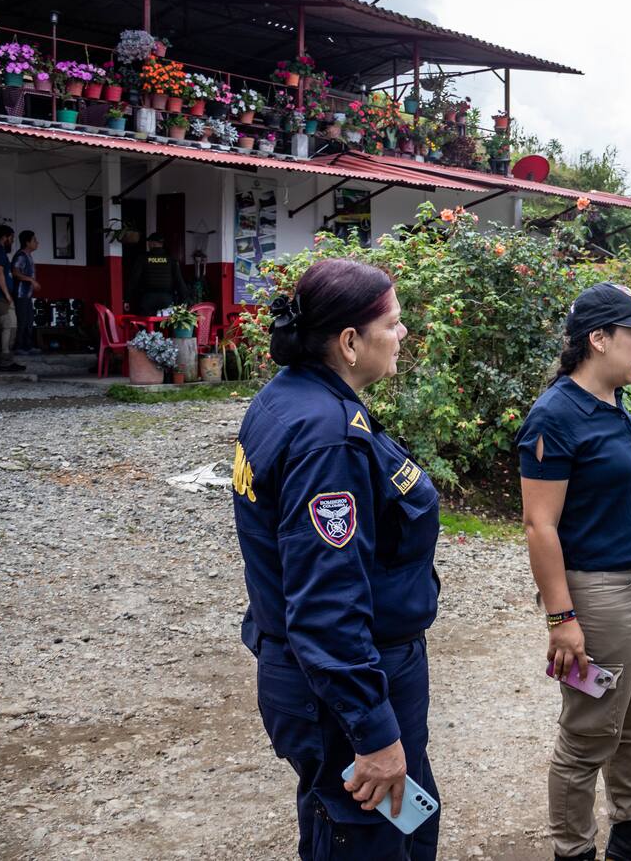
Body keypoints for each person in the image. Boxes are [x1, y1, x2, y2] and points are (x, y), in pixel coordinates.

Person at [232, 258, 441, 860]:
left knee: (406, 827)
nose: (403, 335)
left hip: (345, 678)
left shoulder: (290, 398)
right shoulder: (328, 437)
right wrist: (374, 735)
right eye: (394, 324)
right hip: (344, 693)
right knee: (364, 840)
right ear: (349, 342)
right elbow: (326, 604)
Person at [517, 282, 631, 861]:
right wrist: (561, 618)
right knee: (589, 734)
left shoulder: (614, 403)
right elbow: (541, 526)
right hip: (598, 597)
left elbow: (618, 493)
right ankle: (574, 851)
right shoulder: (554, 416)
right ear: (598, 338)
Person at [0, 224, 24, 372]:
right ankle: (6, 361)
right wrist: (7, 295)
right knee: (10, 326)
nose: (12, 241)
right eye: (12, 238)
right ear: (5, 237)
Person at [125, 232, 188, 315]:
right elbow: (180, 282)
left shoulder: (142, 259)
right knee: (165, 326)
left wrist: (127, 299)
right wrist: (184, 301)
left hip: (148, 299)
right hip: (167, 299)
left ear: (152, 243)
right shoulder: (171, 260)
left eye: (149, 242)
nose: (148, 244)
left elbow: (133, 281)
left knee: (147, 325)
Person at [11, 230, 40, 354]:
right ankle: (18, 347)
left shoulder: (28, 255)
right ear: (27, 242)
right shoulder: (21, 255)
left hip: (27, 295)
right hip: (20, 294)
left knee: (29, 321)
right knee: (22, 321)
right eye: (34, 240)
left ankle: (28, 346)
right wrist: (31, 280)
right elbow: (15, 272)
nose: (37, 242)